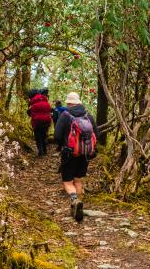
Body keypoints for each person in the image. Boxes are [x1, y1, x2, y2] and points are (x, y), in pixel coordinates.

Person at [54, 92, 98, 222]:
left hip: (70, 153)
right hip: (85, 154)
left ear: (68, 103)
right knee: (78, 180)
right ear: (79, 102)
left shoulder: (65, 115)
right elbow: (96, 134)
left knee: (68, 182)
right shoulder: (88, 115)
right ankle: (79, 205)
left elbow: (57, 136)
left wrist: (63, 145)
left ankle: (74, 200)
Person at [27, 89, 52, 156]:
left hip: (37, 122)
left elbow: (30, 113)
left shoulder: (33, 103)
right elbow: (49, 110)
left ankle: (40, 152)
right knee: (44, 136)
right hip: (47, 122)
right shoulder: (46, 101)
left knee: (38, 137)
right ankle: (45, 150)